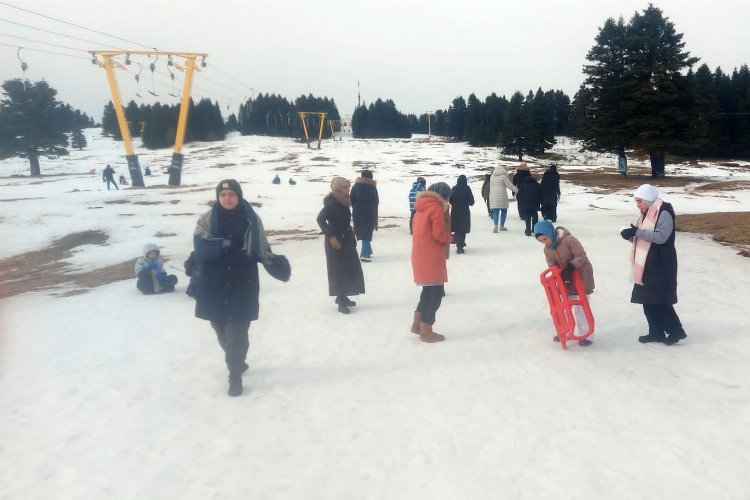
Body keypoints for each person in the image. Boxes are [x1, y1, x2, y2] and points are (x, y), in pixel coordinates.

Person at [193, 179, 291, 397]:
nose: (227, 198)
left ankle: (234, 375)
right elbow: (201, 247)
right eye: (223, 194)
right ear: (218, 197)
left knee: (237, 330)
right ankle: (237, 359)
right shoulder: (206, 220)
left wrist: (272, 262)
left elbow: (261, 246)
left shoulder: (251, 220)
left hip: (242, 280)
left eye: (231, 194)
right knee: (219, 326)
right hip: (214, 282)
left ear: (239, 196)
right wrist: (220, 246)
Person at [620, 184, 686, 345]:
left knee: (660, 300)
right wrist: (630, 235)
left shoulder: (664, 212)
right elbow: (643, 238)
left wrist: (637, 232)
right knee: (647, 299)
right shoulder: (646, 213)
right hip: (647, 264)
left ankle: (676, 331)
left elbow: (661, 237)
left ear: (649, 200)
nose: (637, 205)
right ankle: (656, 332)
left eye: (639, 201)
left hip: (662, 263)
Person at [533, 220, 595, 346]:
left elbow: (581, 256)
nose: (545, 242)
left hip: (581, 276)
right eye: (541, 241)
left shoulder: (569, 240)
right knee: (565, 306)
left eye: (545, 238)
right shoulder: (547, 250)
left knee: (581, 307)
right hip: (565, 280)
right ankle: (566, 331)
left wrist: (571, 267)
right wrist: (558, 274)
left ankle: (587, 335)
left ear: (550, 233)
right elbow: (552, 265)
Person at [410, 182, 453, 343]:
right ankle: (426, 330)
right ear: (443, 196)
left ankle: (417, 324)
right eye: (448, 196)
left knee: (428, 291)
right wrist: (450, 238)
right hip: (431, 255)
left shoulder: (420, 208)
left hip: (420, 254)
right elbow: (439, 235)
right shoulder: (436, 209)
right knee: (436, 294)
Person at [316, 176, 366, 314]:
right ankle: (341, 302)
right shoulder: (332, 202)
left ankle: (342, 296)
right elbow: (320, 219)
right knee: (338, 271)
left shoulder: (343, 201)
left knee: (349, 269)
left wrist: (350, 231)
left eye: (348, 186)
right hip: (335, 243)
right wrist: (330, 236)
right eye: (345, 187)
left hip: (346, 240)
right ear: (338, 188)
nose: (348, 189)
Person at [350, 170, 379, 262]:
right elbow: (376, 201)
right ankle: (365, 255)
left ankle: (368, 251)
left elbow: (351, 200)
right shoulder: (372, 187)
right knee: (367, 232)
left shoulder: (356, 186)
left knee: (363, 232)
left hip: (358, 213)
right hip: (370, 213)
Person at [449, 174, 474, 254]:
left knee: (457, 228)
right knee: (463, 229)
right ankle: (460, 246)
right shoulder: (467, 189)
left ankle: (459, 242)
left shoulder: (454, 189)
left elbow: (450, 200)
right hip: (464, 211)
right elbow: (471, 202)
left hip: (455, 211)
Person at [488, 165, 518, 232]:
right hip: (502, 196)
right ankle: (501, 226)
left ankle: (495, 225)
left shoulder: (492, 176)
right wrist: (517, 191)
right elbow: (510, 186)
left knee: (495, 211)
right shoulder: (504, 177)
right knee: (504, 211)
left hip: (493, 196)